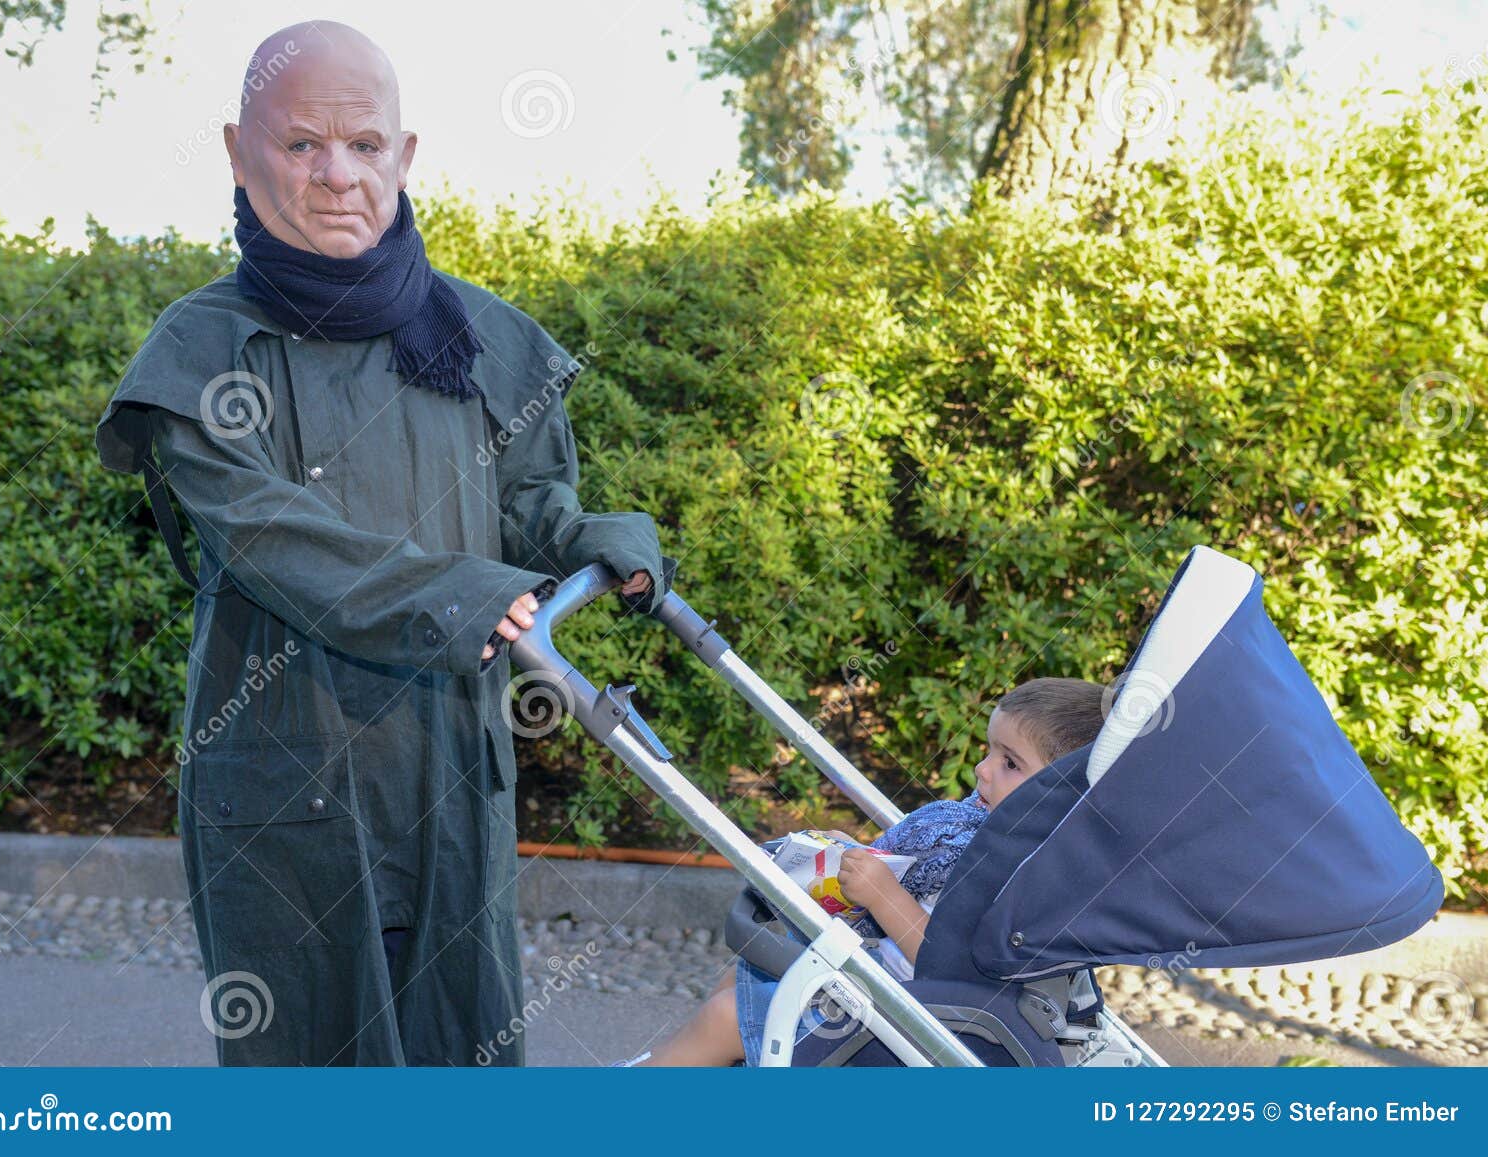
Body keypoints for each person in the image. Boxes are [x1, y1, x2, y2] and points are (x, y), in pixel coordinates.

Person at [95, 21, 671, 1066]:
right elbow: (270, 537)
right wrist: (455, 595)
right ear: (238, 150)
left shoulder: (482, 337)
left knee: (462, 1057)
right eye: (301, 144)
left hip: (450, 766)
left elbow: (530, 503)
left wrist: (596, 539)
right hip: (286, 779)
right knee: (309, 1069)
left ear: (405, 156)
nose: (336, 175)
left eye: (364, 144)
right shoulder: (202, 350)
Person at [628, 677, 1106, 1067]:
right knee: (745, 973)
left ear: (1062, 795)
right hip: (895, 994)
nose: (982, 770)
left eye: (1009, 763)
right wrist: (862, 861)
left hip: (930, 1023)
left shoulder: (1021, 874)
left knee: (728, 1017)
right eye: (989, 750)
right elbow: (931, 891)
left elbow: (954, 965)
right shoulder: (995, 837)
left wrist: (883, 896)